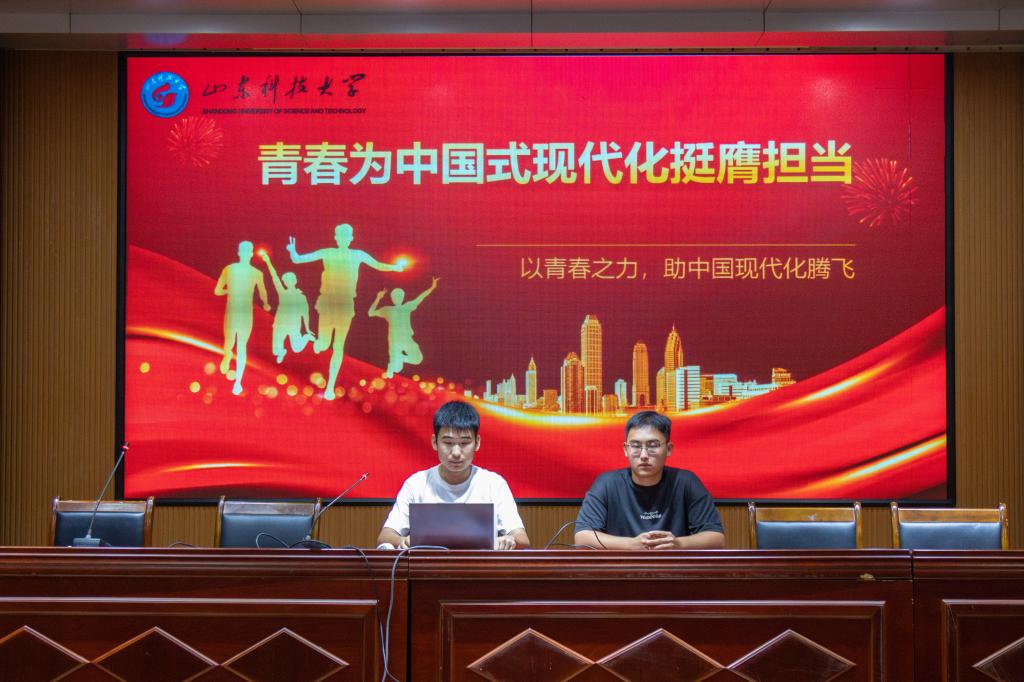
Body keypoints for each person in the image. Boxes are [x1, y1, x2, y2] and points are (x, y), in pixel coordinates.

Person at [377, 401, 531, 550]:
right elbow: (385, 536)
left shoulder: (494, 484)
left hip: (480, 566)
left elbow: (522, 538)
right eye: (448, 443)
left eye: (464, 443)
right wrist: (402, 540)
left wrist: (509, 540)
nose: (456, 453)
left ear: (477, 443)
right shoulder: (416, 484)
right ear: (434, 442)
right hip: (429, 566)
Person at [574, 410, 725, 550]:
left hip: (673, 567)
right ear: (626, 449)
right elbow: (582, 537)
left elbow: (716, 538)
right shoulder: (607, 484)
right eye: (636, 446)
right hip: (622, 567)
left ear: (669, 449)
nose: (644, 455)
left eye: (653, 446)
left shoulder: (686, 482)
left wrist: (678, 544)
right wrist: (632, 545)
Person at [287, 223, 404, 400]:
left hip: (346, 304)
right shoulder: (328, 252)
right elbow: (298, 259)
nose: (343, 238)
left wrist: (395, 267)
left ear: (351, 238)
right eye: (340, 235)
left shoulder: (358, 255)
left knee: (338, 346)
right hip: (328, 302)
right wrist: (293, 251)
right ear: (336, 237)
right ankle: (310, 340)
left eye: (346, 236)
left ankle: (330, 387)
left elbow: (378, 265)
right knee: (323, 345)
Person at [214, 240, 271, 395]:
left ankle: (229, 360)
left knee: (230, 343)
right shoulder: (256, 273)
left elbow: (217, 291)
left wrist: (229, 291)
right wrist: (266, 304)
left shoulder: (229, 269)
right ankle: (237, 382)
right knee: (241, 346)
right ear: (251, 254)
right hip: (245, 313)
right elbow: (263, 293)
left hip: (233, 311)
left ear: (239, 253)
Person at [368, 277, 439, 378]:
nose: (398, 298)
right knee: (397, 369)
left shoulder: (405, 307)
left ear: (403, 297)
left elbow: (420, 297)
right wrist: (378, 297)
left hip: (404, 338)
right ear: (392, 298)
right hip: (396, 339)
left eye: (400, 296)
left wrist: (432, 288)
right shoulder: (389, 309)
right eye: (396, 296)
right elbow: (370, 313)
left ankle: (397, 361)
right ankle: (393, 366)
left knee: (417, 359)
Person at [259, 250, 315, 363]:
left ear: (295, 280)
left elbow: (305, 313)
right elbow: (274, 277)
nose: (288, 282)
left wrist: (307, 329)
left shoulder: (301, 297)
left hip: (294, 325)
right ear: (284, 282)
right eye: (286, 280)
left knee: (296, 348)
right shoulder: (283, 293)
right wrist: (268, 262)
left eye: (291, 279)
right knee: (276, 351)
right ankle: (282, 352)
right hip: (280, 324)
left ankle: (306, 338)